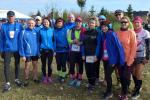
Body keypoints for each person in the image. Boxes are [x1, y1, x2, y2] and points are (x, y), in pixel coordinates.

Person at [100, 20, 125, 99]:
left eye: (105, 26)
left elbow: (119, 47)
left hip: (112, 60)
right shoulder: (104, 35)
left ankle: (110, 92)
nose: (103, 28)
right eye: (102, 27)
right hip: (105, 58)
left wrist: (118, 61)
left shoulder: (112, 34)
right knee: (107, 75)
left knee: (107, 75)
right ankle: (108, 90)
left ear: (108, 26)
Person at [0, 11, 23, 92]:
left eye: (12, 16)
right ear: (7, 17)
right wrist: (1, 50)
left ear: (15, 17)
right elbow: (1, 38)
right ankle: (7, 83)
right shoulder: (3, 26)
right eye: (9, 16)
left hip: (17, 49)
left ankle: (16, 79)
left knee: (17, 64)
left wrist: (22, 49)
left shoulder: (19, 26)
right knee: (6, 65)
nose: (11, 18)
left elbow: (22, 38)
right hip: (7, 49)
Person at [116, 16, 137, 100]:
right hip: (119, 60)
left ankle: (125, 94)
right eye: (122, 22)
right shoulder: (117, 33)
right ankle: (123, 91)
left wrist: (130, 61)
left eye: (125, 22)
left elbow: (134, 47)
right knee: (121, 76)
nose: (123, 23)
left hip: (128, 59)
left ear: (128, 23)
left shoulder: (131, 33)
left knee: (126, 77)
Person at [131, 16, 150, 99]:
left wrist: (147, 57)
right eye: (135, 22)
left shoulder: (145, 32)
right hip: (132, 55)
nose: (136, 24)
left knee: (138, 73)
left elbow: (148, 46)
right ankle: (137, 86)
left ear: (141, 23)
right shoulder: (131, 32)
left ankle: (137, 92)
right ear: (133, 23)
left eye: (138, 22)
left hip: (141, 55)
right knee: (133, 73)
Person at [82, 18, 100, 91]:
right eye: (90, 23)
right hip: (86, 54)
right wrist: (83, 54)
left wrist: (96, 55)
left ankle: (92, 84)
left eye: (93, 23)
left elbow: (98, 45)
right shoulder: (85, 33)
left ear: (95, 24)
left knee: (92, 69)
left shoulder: (97, 32)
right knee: (87, 69)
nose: (91, 24)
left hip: (93, 54)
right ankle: (89, 82)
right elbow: (83, 44)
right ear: (88, 24)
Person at [19, 19, 40, 86]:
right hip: (27, 53)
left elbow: (38, 42)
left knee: (35, 66)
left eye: (32, 23)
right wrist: (23, 55)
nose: (31, 25)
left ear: (34, 24)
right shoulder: (23, 32)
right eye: (29, 23)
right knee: (27, 67)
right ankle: (26, 79)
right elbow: (21, 44)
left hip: (35, 53)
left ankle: (35, 77)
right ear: (27, 24)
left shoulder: (36, 32)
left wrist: (38, 52)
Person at [67, 16, 86, 87]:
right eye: (77, 22)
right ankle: (73, 78)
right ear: (75, 23)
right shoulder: (71, 30)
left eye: (79, 22)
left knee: (80, 65)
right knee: (72, 65)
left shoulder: (84, 30)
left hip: (81, 51)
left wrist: (81, 43)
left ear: (81, 23)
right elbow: (68, 39)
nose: (78, 23)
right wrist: (73, 41)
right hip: (72, 50)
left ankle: (79, 78)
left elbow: (86, 40)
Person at [54, 18, 69, 83]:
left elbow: (68, 39)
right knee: (58, 64)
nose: (59, 23)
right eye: (58, 22)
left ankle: (63, 76)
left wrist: (68, 48)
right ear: (56, 24)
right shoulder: (54, 31)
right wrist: (54, 50)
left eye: (60, 22)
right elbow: (54, 41)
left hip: (64, 50)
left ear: (63, 23)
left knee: (63, 64)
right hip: (57, 50)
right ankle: (60, 75)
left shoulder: (66, 30)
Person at [39, 18, 54, 84]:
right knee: (43, 64)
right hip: (43, 50)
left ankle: (49, 76)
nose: (45, 23)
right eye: (44, 22)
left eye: (47, 22)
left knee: (50, 65)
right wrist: (39, 49)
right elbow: (39, 40)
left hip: (50, 50)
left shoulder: (52, 30)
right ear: (43, 23)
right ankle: (44, 76)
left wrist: (54, 49)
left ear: (49, 23)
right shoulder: (40, 30)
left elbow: (54, 40)